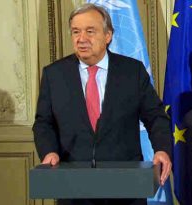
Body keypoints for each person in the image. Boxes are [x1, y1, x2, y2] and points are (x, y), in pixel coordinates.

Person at [33, 3, 171, 205]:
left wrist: (162, 149)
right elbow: (43, 123)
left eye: (90, 31)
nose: (81, 39)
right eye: (76, 32)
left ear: (108, 36)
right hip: (73, 188)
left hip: (126, 187)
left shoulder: (132, 71)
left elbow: (156, 117)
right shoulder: (54, 75)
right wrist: (49, 152)